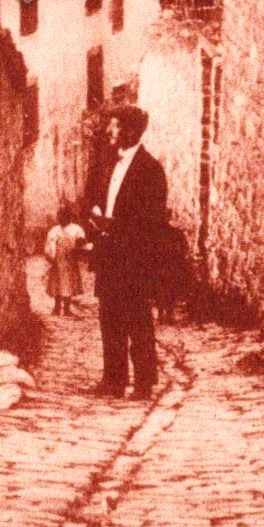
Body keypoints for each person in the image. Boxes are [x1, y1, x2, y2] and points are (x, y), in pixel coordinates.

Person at [86, 106, 167, 399]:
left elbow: (152, 221)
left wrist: (117, 227)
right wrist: (95, 218)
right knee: (110, 319)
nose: (110, 131)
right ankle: (113, 380)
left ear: (131, 132)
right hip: (109, 255)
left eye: (116, 126)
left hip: (134, 259)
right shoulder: (108, 163)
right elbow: (93, 197)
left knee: (138, 320)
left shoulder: (150, 170)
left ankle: (144, 383)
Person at [43, 203, 86, 316]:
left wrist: (80, 244)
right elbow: (49, 246)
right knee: (57, 284)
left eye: (65, 215)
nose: (62, 217)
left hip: (70, 260)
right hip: (58, 261)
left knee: (69, 284)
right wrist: (51, 255)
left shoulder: (76, 229)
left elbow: (81, 244)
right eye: (60, 215)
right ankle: (57, 306)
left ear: (70, 216)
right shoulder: (54, 230)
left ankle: (66, 308)